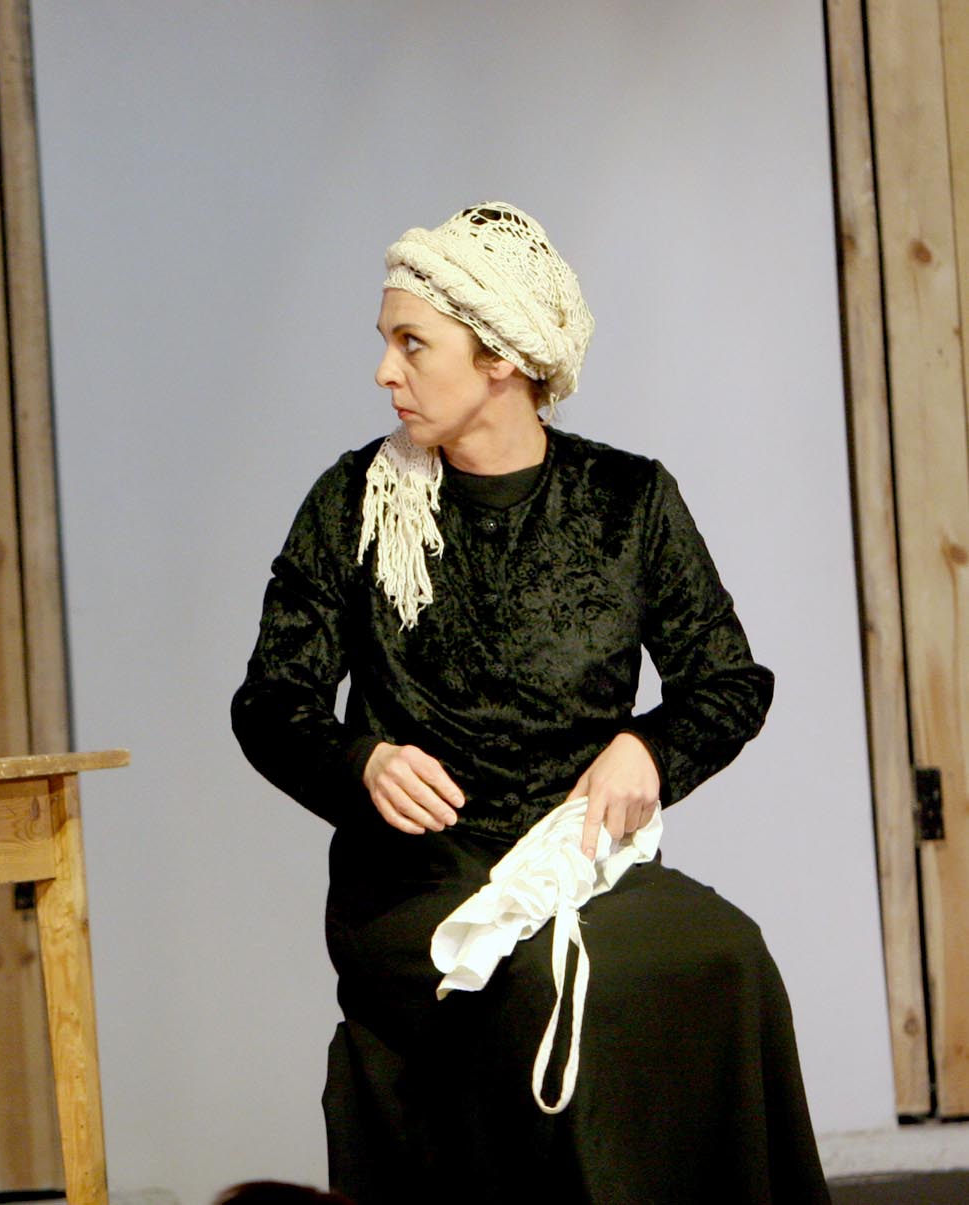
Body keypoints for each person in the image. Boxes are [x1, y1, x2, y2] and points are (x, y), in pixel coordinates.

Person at [230, 203, 828, 1201]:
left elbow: (728, 681)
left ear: (501, 357)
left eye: (411, 343)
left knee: (729, 955)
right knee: (546, 984)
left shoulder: (627, 499)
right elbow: (270, 702)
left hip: (579, 864)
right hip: (420, 883)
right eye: (386, 341)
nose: (384, 371)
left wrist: (648, 747)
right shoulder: (353, 502)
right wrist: (360, 761)